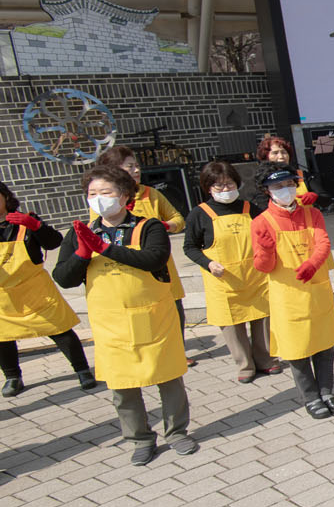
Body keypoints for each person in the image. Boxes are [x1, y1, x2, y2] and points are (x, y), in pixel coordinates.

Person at [54, 165, 196, 464]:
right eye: (92, 193)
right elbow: (63, 278)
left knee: (168, 377)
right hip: (111, 323)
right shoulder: (81, 233)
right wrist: (82, 253)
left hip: (153, 317)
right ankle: (140, 438)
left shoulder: (148, 227)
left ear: (124, 195)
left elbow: (153, 258)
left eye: (106, 192)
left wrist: (103, 248)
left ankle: (177, 433)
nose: (98, 198)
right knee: (122, 385)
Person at [250, 168, 334, 417]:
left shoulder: (312, 214)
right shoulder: (261, 222)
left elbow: (323, 243)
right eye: (278, 187)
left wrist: (313, 263)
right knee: (297, 349)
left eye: (290, 184)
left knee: (324, 345)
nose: (286, 190)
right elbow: (262, 267)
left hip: (317, 290)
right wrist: (266, 251)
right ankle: (310, 397)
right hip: (288, 296)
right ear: (267, 191)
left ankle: (327, 392)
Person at [0, 179, 95, 397]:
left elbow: (54, 242)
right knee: (2, 337)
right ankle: (13, 377)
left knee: (60, 330)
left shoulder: (26, 220)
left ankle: (82, 370)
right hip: (3, 296)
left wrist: (36, 227)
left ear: (5, 196)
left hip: (36, 290)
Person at [182, 161, 273, 384]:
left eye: (230, 184)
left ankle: (266, 359)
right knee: (232, 325)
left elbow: (268, 233)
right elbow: (190, 247)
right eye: (219, 186)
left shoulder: (250, 208)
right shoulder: (199, 214)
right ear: (208, 188)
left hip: (254, 277)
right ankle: (245, 364)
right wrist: (208, 263)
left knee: (262, 320)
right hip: (223, 280)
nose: (226, 189)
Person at [97, 145, 189, 361]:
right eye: (129, 166)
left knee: (173, 308)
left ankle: (178, 354)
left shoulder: (151, 194)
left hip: (159, 262)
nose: (136, 170)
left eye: (137, 165)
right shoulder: (104, 200)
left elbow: (178, 219)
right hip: (128, 267)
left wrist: (165, 226)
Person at [252, 134, 324, 208]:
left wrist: (316, 197)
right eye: (275, 153)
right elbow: (261, 204)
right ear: (266, 157)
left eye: (284, 152)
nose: (281, 156)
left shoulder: (301, 175)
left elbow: (326, 199)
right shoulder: (263, 179)